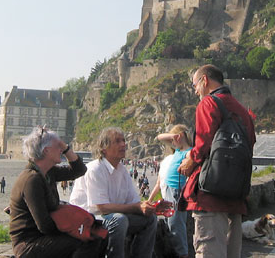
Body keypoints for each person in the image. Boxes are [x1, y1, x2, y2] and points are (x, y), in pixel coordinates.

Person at [178, 64, 256, 258]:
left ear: (205, 80)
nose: (195, 90)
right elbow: (250, 146)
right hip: (236, 196)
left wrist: (190, 161)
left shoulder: (208, 103)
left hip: (210, 195)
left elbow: (203, 144)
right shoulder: (243, 112)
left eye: (195, 84)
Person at [9, 126, 104, 258]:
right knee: (85, 241)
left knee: (98, 234)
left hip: (43, 236)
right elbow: (44, 225)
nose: (61, 150)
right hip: (29, 243)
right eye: (58, 146)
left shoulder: (48, 172)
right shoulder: (32, 179)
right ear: (47, 151)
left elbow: (79, 170)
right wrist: (73, 229)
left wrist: (66, 148)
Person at [70, 127, 166, 258]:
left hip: (108, 216)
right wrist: (138, 207)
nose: (123, 144)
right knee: (119, 220)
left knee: (150, 219)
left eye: (123, 140)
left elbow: (134, 202)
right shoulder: (95, 169)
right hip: (88, 219)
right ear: (104, 148)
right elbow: (102, 207)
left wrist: (151, 207)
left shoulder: (122, 171)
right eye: (117, 141)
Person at [150, 124, 192, 258]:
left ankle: (182, 253)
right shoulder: (179, 150)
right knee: (170, 221)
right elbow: (159, 137)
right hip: (169, 189)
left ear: (179, 138)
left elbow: (193, 158)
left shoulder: (188, 152)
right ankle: (178, 251)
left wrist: (177, 137)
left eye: (173, 140)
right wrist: (173, 136)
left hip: (176, 190)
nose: (171, 142)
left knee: (176, 224)